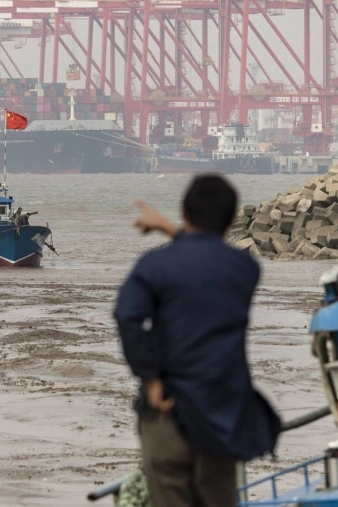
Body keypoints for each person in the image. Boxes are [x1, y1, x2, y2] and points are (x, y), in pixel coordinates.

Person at [114, 175, 280, 507]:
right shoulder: (244, 268)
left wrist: (151, 379)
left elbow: (127, 316)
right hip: (222, 415)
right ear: (233, 219)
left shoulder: (154, 266)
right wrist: (169, 229)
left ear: (184, 212)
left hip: (168, 414)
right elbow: (207, 257)